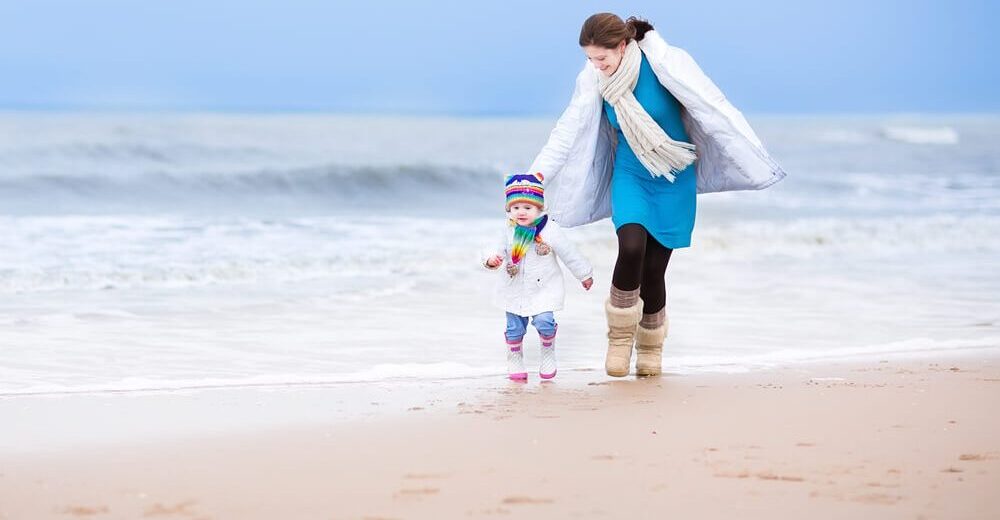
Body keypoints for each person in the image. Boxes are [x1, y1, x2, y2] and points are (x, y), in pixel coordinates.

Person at [528, 13, 786, 377]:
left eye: (601, 58)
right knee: (631, 247)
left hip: (674, 174)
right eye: (589, 59)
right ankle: (619, 339)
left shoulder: (665, 62)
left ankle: (650, 349)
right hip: (631, 173)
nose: (596, 65)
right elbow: (567, 129)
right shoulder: (593, 80)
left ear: (622, 46)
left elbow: (714, 106)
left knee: (653, 272)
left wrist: (753, 153)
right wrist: (537, 174)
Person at [483, 172, 594, 380]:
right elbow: (493, 248)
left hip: (543, 288)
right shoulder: (508, 230)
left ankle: (548, 352)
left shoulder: (550, 231)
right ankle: (514, 358)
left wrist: (584, 274)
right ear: (509, 210)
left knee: (545, 321)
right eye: (515, 208)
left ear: (539, 208)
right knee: (514, 328)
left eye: (527, 208)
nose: (521, 213)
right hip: (513, 288)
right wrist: (492, 259)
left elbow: (569, 252)